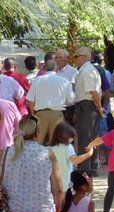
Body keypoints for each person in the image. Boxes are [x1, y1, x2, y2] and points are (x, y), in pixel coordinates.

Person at [26, 60, 75, 145]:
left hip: (41, 114)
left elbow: (30, 100)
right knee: (56, 143)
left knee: (38, 142)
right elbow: (71, 100)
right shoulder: (65, 81)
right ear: (56, 69)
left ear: (44, 68)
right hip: (57, 114)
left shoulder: (37, 80)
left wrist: (33, 114)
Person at [73, 47, 103, 176]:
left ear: (84, 57)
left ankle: (85, 168)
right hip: (87, 106)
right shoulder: (86, 70)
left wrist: (99, 106)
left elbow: (93, 92)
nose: (75, 59)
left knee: (86, 137)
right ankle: (91, 166)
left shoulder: (87, 71)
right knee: (92, 136)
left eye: (77, 56)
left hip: (87, 106)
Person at [48, 122, 94, 193]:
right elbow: (75, 160)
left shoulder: (50, 148)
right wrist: (89, 153)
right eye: (71, 137)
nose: (72, 139)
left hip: (52, 184)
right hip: (66, 183)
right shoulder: (68, 147)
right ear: (65, 136)